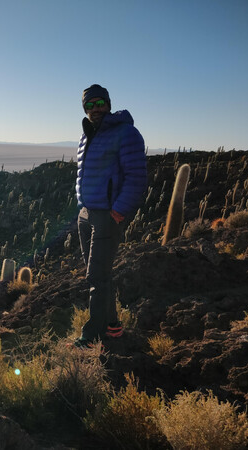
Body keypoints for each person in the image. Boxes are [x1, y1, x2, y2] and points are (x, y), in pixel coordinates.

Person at [74, 84, 147, 348]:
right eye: (89, 105)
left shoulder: (126, 133)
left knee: (96, 276)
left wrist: (118, 211)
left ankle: (92, 336)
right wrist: (81, 207)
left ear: (108, 103)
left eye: (99, 103)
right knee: (100, 275)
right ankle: (113, 325)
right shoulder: (87, 135)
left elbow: (137, 177)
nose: (95, 109)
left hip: (107, 215)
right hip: (86, 213)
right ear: (85, 108)